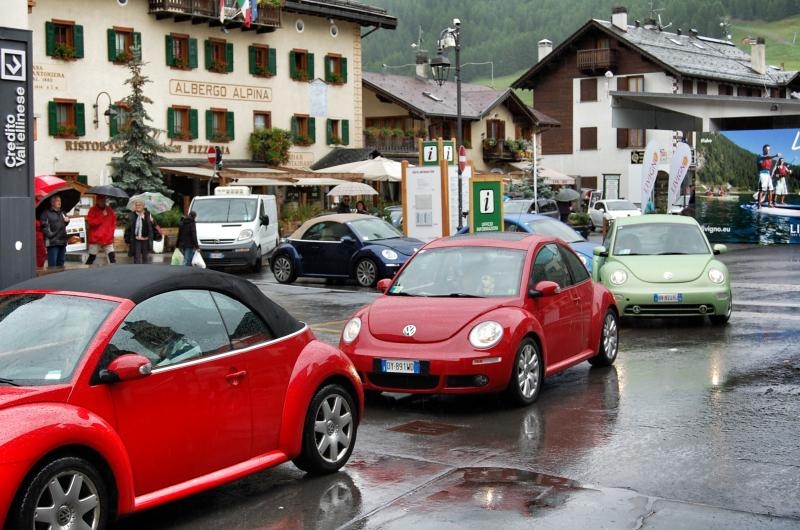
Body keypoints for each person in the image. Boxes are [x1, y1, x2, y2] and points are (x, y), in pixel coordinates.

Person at [85, 195, 117, 265]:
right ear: (97, 201)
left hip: (107, 237)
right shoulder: (92, 210)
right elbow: (91, 223)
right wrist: (101, 216)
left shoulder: (109, 210)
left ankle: (113, 272)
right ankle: (85, 271)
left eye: (104, 200)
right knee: (92, 257)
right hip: (96, 238)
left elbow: (113, 223)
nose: (103, 202)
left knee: (112, 258)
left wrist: (111, 233)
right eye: (101, 200)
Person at [39, 194, 70, 268]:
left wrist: (67, 221)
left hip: (62, 241)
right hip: (53, 243)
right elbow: (44, 227)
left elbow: (64, 224)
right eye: (57, 201)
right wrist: (51, 235)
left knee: (61, 263)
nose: (59, 202)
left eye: (60, 201)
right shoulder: (46, 213)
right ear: (52, 203)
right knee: (52, 265)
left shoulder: (63, 212)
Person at [124, 200, 156, 264]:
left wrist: (152, 221)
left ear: (143, 206)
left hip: (146, 239)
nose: (137, 206)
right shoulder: (132, 215)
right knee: (137, 257)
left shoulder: (148, 214)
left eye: (139, 205)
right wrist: (127, 240)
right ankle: (137, 271)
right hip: (136, 240)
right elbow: (127, 228)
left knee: (145, 257)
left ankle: (145, 271)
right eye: (136, 205)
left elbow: (153, 226)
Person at [756, 144, 779, 208]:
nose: (768, 151)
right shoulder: (760, 156)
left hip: (768, 174)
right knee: (761, 190)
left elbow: (770, 168)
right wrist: (775, 155)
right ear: (763, 149)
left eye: (769, 149)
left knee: (770, 189)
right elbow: (766, 158)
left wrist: (773, 175)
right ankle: (759, 204)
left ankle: (769, 204)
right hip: (762, 174)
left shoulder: (770, 158)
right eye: (767, 149)